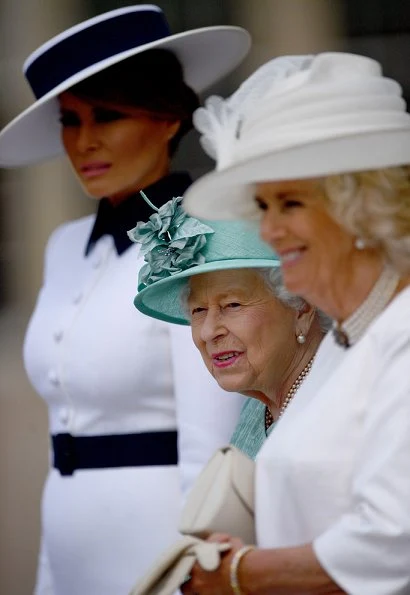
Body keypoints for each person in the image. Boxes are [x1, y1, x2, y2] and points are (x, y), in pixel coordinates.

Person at [0, 6, 251, 595]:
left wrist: (201, 563)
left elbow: (213, 437)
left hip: (162, 539)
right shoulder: (62, 248)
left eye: (107, 116)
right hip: (66, 538)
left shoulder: (204, 233)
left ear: (167, 119)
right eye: (69, 120)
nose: (83, 141)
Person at [181, 52, 410, 594]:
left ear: (360, 207)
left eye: (290, 203)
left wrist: (240, 575)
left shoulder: (401, 337)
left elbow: (394, 539)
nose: (269, 230)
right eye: (263, 205)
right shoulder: (345, 341)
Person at [129, 196, 328, 460]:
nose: (208, 332)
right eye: (198, 310)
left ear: (301, 307)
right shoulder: (259, 408)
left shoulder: (337, 401)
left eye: (232, 305)